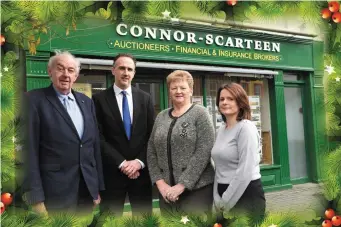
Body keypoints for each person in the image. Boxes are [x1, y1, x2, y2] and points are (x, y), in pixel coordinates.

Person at [22, 51, 105, 215]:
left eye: (71, 70)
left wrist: (97, 189)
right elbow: (28, 152)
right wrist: (36, 198)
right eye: (60, 69)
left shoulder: (86, 102)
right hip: (53, 195)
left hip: (86, 193)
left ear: (76, 75)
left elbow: (94, 147)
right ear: (49, 71)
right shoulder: (33, 101)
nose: (66, 74)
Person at [92, 53, 154, 216]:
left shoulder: (146, 99)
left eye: (130, 69)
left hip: (141, 175)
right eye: (122, 68)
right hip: (112, 175)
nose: (126, 73)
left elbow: (151, 136)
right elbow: (98, 136)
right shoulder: (98, 99)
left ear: (134, 73)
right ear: (113, 70)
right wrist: (122, 163)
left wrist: (139, 162)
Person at [147, 70, 215, 215]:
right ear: (169, 92)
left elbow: (204, 151)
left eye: (183, 88)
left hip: (197, 191)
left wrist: (182, 185)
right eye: (174, 88)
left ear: (190, 90)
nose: (178, 91)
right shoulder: (161, 116)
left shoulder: (200, 113)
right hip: (166, 192)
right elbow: (151, 151)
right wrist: (160, 183)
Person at [211, 83, 265, 224]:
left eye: (230, 98)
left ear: (240, 102)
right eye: (222, 99)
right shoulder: (221, 129)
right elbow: (218, 167)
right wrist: (217, 197)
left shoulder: (246, 128)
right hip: (223, 195)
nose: (225, 102)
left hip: (246, 194)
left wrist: (226, 201)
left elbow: (245, 171)